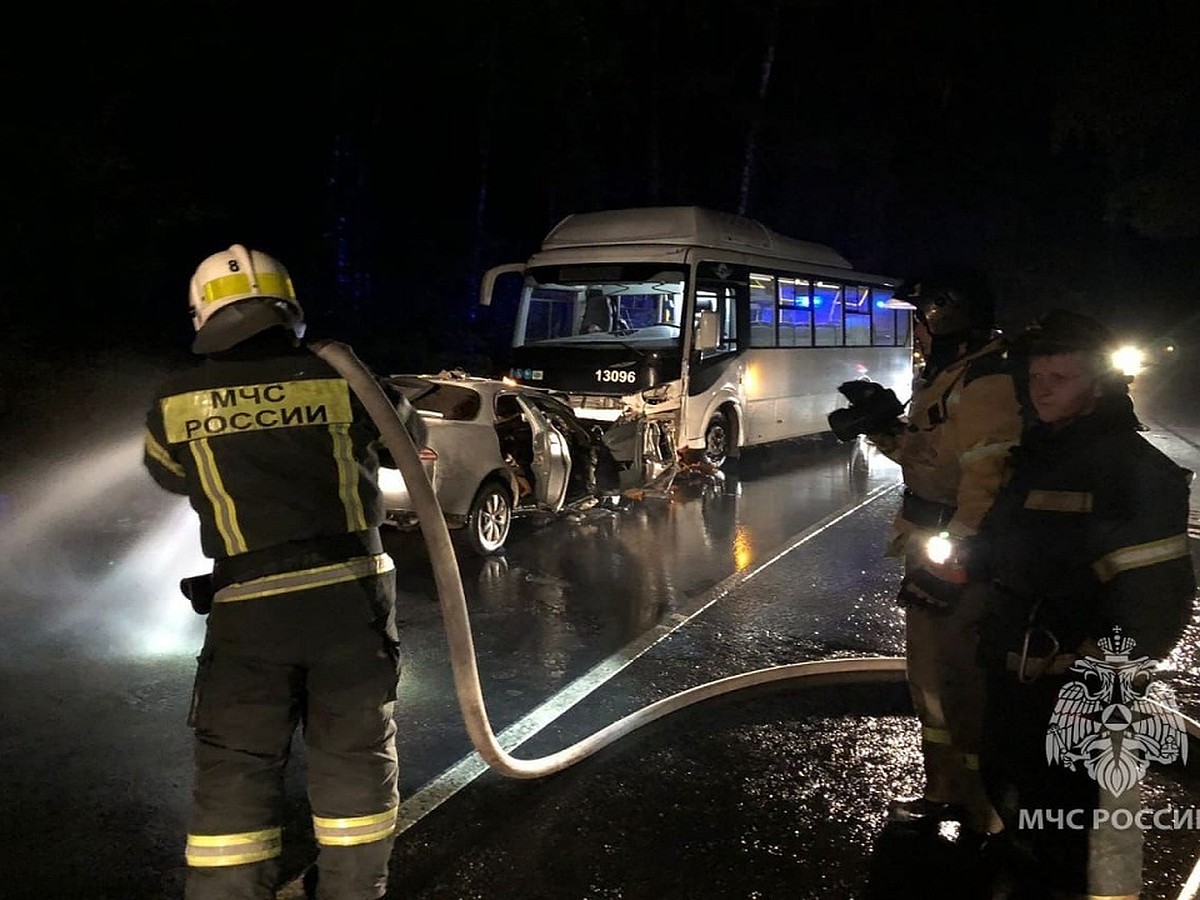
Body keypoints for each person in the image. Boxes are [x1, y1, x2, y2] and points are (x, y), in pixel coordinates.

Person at [143, 244, 425, 900]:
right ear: (287, 309)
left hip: (250, 606)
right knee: (355, 764)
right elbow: (400, 435)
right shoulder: (342, 376)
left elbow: (168, 473)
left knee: (234, 775)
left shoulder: (175, 398)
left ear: (203, 315)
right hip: (352, 601)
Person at [972, 309, 1195, 897]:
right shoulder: (1039, 454)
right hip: (1015, 660)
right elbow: (1007, 549)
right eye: (1036, 377)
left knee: (1083, 826)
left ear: (1097, 388)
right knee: (1008, 780)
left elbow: (1159, 601)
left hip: (1082, 682)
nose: (1040, 388)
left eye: (1060, 378)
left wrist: (1096, 669)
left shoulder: (1135, 471)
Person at [866, 271, 1022, 840]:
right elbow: (930, 457)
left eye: (920, 319)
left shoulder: (984, 382)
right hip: (935, 545)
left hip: (959, 553)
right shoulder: (950, 376)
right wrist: (882, 431)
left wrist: (954, 564)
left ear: (943, 316)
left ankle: (984, 811)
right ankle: (942, 789)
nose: (916, 331)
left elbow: (985, 483)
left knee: (960, 681)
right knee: (929, 677)